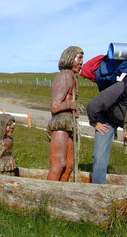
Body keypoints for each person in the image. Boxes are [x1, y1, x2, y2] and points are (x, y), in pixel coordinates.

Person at [46, 46, 84, 181]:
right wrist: (69, 105)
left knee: (69, 165)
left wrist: (74, 110)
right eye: (79, 58)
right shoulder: (64, 76)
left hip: (69, 123)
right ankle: (48, 195)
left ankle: (61, 193)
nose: (81, 62)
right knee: (59, 164)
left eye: (82, 58)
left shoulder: (73, 77)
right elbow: (55, 106)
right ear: (69, 58)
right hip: (61, 124)